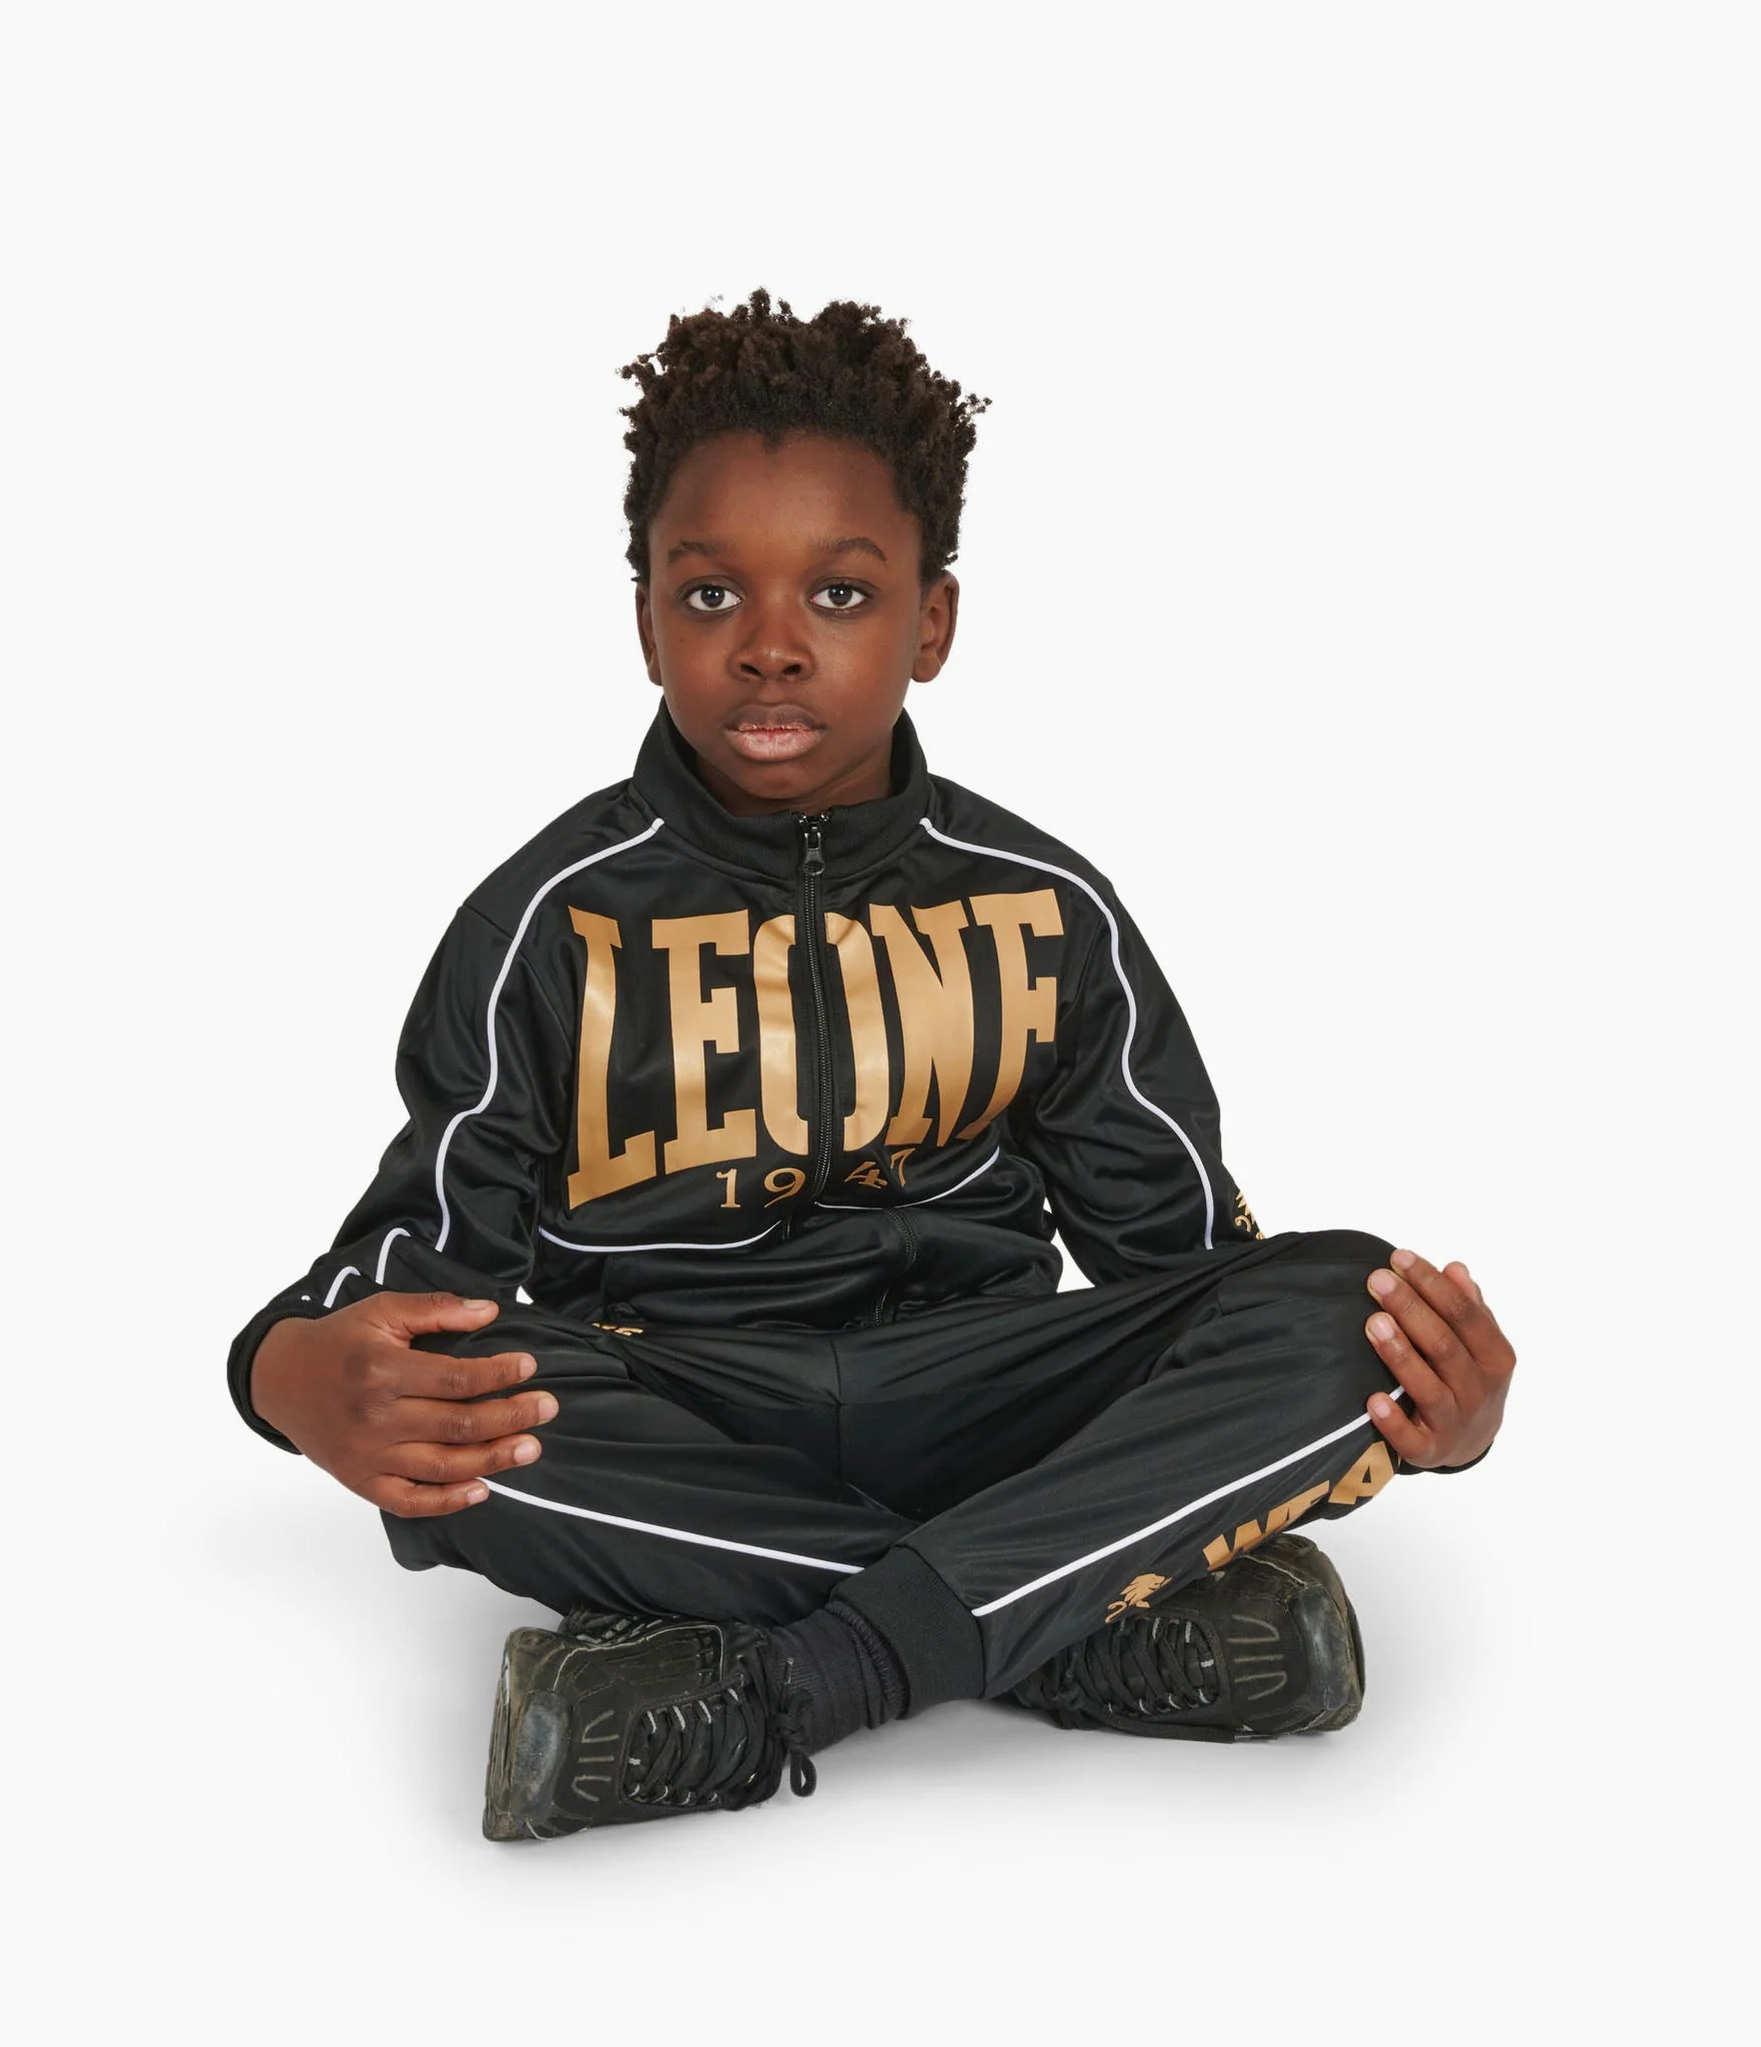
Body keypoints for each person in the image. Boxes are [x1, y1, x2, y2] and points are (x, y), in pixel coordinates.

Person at [228, 289, 1517, 1842]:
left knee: (1352, 1303)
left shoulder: (1044, 909)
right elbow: (404, 1282)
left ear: (930, 623)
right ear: (645, 620)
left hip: (986, 1394)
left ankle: (788, 1682)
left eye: (839, 594)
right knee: (466, 1424)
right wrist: (282, 1373)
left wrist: (1432, 1414)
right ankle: (1069, 1617)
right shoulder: (546, 925)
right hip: (692, 1404)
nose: (770, 647)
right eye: (710, 595)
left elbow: (1182, 1274)